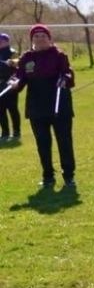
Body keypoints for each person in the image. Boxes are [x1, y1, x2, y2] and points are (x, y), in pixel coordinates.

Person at [7, 25, 75, 188]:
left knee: (64, 141)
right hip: (36, 106)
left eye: (43, 35)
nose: (39, 38)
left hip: (59, 104)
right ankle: (48, 176)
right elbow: (20, 78)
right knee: (42, 143)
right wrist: (15, 83)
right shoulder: (26, 58)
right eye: (36, 36)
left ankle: (69, 176)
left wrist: (65, 79)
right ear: (32, 40)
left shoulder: (59, 55)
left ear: (49, 38)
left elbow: (67, 73)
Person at [0, 32, 20, 141]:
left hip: (10, 85)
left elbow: (17, 62)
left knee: (12, 109)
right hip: (0, 84)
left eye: (1, 40)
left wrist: (12, 62)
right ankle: (5, 133)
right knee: (1, 110)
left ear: (6, 41)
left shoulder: (13, 52)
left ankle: (16, 132)